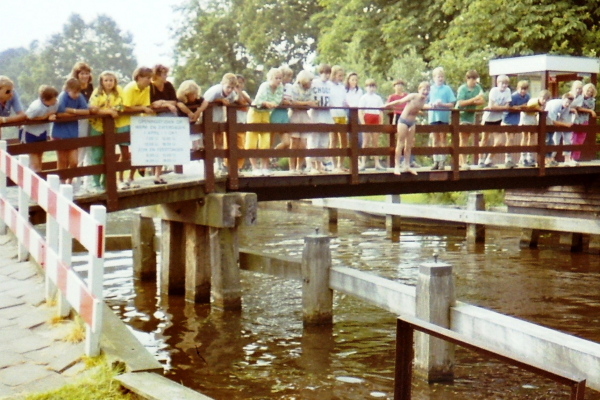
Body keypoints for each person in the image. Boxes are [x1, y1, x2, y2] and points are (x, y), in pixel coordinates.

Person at [88, 71, 127, 192]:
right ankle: (95, 184)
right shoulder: (97, 93)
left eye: (111, 80)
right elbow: (92, 108)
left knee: (108, 155)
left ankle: (106, 183)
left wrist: (112, 109)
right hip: (97, 126)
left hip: (111, 127)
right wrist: (108, 111)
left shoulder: (118, 92)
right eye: (106, 80)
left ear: (114, 81)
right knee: (97, 155)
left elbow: (122, 105)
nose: (109, 83)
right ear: (101, 82)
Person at [121, 67, 155, 188]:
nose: (149, 81)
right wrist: (142, 109)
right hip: (123, 122)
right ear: (139, 78)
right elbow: (125, 107)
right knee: (125, 153)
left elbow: (146, 105)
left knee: (138, 151)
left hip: (137, 123)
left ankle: (131, 177)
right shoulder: (130, 88)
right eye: (147, 78)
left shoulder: (146, 88)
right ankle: (120, 179)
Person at [387, 81, 430, 175]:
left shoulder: (424, 100)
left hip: (412, 122)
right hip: (403, 121)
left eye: (427, 90)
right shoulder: (413, 96)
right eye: (424, 89)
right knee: (400, 143)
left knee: (409, 145)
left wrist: (435, 105)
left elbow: (423, 107)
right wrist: (385, 105)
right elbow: (400, 101)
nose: (425, 91)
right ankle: (397, 166)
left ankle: (407, 165)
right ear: (419, 90)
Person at [245, 68, 283, 176]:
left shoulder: (280, 87)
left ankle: (264, 167)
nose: (278, 80)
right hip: (256, 111)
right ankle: (254, 167)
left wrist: (272, 104)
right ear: (270, 78)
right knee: (252, 139)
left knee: (265, 139)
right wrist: (267, 103)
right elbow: (259, 100)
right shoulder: (264, 86)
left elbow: (277, 100)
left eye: (280, 78)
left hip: (266, 112)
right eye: (276, 78)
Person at [53, 78, 90, 184]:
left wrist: (71, 110)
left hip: (73, 133)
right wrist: (77, 113)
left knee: (74, 161)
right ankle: (61, 183)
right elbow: (59, 113)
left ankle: (69, 182)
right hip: (60, 133)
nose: (77, 95)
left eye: (78, 92)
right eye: (74, 92)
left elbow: (86, 111)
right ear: (67, 89)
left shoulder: (79, 97)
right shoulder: (62, 96)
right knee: (62, 161)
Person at [203, 73, 237, 175]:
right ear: (222, 84)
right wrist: (219, 100)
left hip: (219, 118)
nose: (229, 90)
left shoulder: (232, 94)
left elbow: (232, 101)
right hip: (207, 117)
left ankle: (220, 166)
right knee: (208, 142)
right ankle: (208, 169)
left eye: (232, 87)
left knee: (219, 142)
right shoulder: (215, 91)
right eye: (228, 87)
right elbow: (204, 101)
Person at [19, 85, 59, 172]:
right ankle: (33, 181)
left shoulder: (55, 104)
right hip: (30, 133)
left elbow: (56, 112)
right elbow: (27, 117)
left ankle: (39, 179)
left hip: (42, 132)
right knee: (34, 162)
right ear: (45, 99)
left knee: (40, 158)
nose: (55, 100)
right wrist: (45, 117)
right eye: (53, 99)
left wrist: (52, 116)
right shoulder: (36, 107)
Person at [70, 62, 95, 190]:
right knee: (79, 151)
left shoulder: (91, 87)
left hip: (91, 120)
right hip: (79, 122)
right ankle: (75, 185)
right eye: (82, 73)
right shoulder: (74, 87)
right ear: (77, 74)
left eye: (87, 73)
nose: (85, 76)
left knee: (89, 151)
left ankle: (88, 184)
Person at [479, 75, 511, 168]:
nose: (504, 85)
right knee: (484, 139)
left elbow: (507, 106)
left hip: (498, 119)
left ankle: (488, 159)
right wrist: (501, 107)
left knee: (499, 142)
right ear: (498, 83)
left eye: (506, 83)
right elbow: (491, 106)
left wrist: (498, 107)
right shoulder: (494, 91)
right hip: (488, 118)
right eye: (502, 83)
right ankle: (481, 160)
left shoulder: (508, 91)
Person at [427, 67, 456, 170]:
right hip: (433, 117)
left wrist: (442, 104)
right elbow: (424, 103)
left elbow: (452, 103)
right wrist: (430, 104)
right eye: (438, 76)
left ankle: (442, 162)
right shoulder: (430, 89)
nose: (440, 78)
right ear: (434, 77)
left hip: (443, 117)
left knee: (443, 138)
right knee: (434, 139)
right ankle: (436, 161)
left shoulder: (447, 89)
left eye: (442, 76)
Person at [455, 70, 484, 169]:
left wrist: (473, 101)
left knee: (467, 139)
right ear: (467, 79)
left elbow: (481, 101)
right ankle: (463, 162)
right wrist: (474, 99)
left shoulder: (478, 88)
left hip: (470, 116)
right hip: (461, 115)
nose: (474, 82)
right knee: (463, 138)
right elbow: (460, 103)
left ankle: (462, 160)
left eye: (475, 79)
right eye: (472, 79)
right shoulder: (462, 89)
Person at [308, 64, 334, 174]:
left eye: (328, 73)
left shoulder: (330, 85)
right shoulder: (314, 83)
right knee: (314, 141)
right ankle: (312, 165)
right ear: (320, 73)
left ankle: (320, 164)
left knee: (323, 142)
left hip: (327, 115)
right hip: (315, 115)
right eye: (325, 73)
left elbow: (332, 99)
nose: (327, 75)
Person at [289, 70, 316, 174]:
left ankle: (298, 167)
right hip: (295, 115)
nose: (311, 83)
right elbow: (293, 102)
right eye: (310, 81)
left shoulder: (311, 89)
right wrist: (306, 103)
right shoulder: (294, 88)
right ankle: (291, 168)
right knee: (294, 142)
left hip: (305, 115)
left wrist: (304, 104)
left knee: (303, 143)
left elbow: (312, 103)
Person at [502, 80, 530, 168]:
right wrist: (521, 107)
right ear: (518, 89)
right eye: (522, 89)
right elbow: (509, 107)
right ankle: (508, 158)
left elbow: (528, 106)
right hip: (508, 119)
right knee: (510, 138)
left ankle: (522, 157)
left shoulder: (527, 96)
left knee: (519, 137)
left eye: (525, 89)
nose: (523, 91)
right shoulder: (513, 97)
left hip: (518, 119)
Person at [518, 90, 550, 167]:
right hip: (525, 117)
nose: (544, 101)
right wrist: (537, 109)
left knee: (532, 137)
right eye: (543, 98)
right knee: (525, 136)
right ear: (539, 97)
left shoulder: (543, 105)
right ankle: (523, 157)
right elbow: (525, 108)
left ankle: (529, 156)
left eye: (546, 99)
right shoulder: (534, 102)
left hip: (532, 117)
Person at [358, 78, 385, 170]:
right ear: (366, 87)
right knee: (365, 142)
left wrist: (381, 122)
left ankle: (377, 163)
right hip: (367, 119)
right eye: (369, 86)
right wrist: (363, 123)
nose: (371, 88)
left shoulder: (378, 98)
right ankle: (363, 163)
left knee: (375, 143)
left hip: (375, 119)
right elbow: (360, 111)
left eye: (373, 86)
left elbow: (381, 111)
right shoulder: (363, 98)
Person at [176, 80, 208, 152]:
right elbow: (180, 105)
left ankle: (197, 147)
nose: (194, 96)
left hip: (193, 121)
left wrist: (198, 112)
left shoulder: (197, 98)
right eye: (192, 94)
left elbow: (205, 103)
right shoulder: (181, 99)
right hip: (183, 122)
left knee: (196, 132)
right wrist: (189, 112)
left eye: (195, 94)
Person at [544, 92, 575, 166]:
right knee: (548, 140)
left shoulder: (567, 107)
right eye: (566, 102)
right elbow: (552, 121)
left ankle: (551, 159)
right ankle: (546, 160)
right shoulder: (555, 105)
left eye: (569, 103)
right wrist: (565, 125)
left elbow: (562, 118)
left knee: (551, 141)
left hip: (552, 123)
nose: (567, 104)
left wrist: (561, 123)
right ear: (563, 99)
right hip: (545, 120)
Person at [570, 82, 597, 163]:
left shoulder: (592, 100)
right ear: (584, 90)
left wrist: (590, 111)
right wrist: (589, 111)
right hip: (575, 120)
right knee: (572, 139)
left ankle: (575, 158)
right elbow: (577, 107)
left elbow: (590, 108)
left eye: (591, 92)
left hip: (584, 121)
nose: (589, 93)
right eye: (588, 91)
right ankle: (569, 158)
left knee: (580, 140)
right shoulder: (578, 97)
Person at [329, 65, 348, 172]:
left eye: (342, 76)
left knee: (343, 141)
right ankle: (334, 165)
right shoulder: (329, 86)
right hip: (332, 115)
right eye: (339, 75)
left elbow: (344, 100)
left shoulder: (342, 87)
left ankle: (340, 165)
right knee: (333, 140)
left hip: (342, 114)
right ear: (334, 75)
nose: (341, 78)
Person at [272, 66, 294, 161]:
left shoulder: (290, 87)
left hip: (284, 114)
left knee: (287, 142)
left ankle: (273, 154)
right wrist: (283, 102)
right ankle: (264, 165)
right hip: (273, 113)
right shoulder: (274, 86)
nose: (290, 79)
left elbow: (292, 99)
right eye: (288, 76)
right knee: (269, 141)